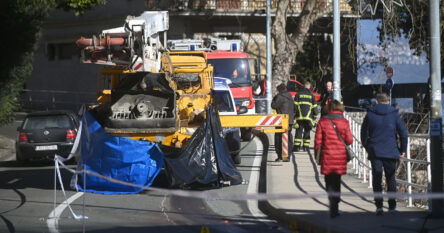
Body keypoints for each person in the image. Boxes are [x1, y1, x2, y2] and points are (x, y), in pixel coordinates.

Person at [361, 93, 408, 216]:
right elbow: (403, 133)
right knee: (390, 178)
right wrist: (403, 149)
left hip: (375, 150)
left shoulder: (370, 114)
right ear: (388, 101)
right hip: (391, 151)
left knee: (376, 178)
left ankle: (379, 206)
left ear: (377, 101)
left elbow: (363, 132)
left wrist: (367, 146)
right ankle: (392, 206)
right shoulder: (394, 114)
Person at [314, 100, 353, 218]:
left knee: (328, 181)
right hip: (340, 156)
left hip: (327, 155)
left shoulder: (323, 122)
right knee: (337, 180)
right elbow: (350, 140)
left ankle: (332, 202)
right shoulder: (344, 122)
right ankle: (336, 202)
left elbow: (317, 142)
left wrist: (317, 155)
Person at [271, 83, 294, 162]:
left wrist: (274, 98)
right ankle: (288, 155)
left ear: (279, 90)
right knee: (289, 137)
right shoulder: (290, 96)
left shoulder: (279, 97)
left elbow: (273, 106)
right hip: (290, 120)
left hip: (281, 120)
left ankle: (280, 155)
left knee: (278, 137)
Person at [293, 81, 318, 152]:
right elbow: (315, 107)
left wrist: (294, 116)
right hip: (308, 118)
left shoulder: (298, 94)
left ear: (304, 86)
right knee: (307, 132)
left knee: (298, 132)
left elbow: (295, 106)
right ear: (309, 87)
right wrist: (315, 116)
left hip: (299, 117)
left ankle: (296, 147)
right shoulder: (311, 95)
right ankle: (306, 147)